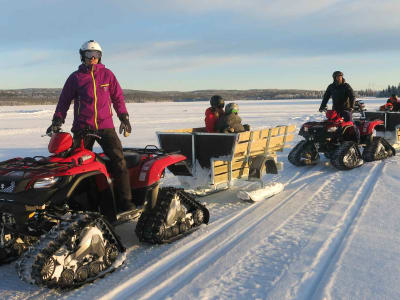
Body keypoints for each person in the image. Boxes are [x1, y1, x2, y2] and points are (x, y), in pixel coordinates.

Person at [46, 40, 135, 212]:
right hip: (82, 128)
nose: (93, 58)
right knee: (76, 166)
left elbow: (118, 98)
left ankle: (125, 202)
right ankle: (86, 205)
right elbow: (63, 101)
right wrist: (57, 120)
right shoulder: (75, 78)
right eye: (89, 55)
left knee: (119, 162)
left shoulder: (107, 75)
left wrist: (124, 117)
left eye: (97, 55)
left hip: (105, 127)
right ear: (82, 56)